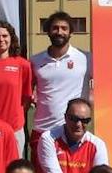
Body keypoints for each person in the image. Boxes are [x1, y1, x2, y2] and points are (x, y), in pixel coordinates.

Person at [30, 11, 91, 146]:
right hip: (42, 130)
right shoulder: (35, 60)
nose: (59, 32)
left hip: (71, 130)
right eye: (55, 28)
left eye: (64, 28)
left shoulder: (85, 58)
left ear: (71, 33)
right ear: (48, 32)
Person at [35, 98, 109, 173]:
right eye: (74, 119)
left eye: (84, 121)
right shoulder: (48, 138)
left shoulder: (98, 145)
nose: (78, 124)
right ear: (65, 117)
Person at [0, 21, 33, 151]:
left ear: (11, 38)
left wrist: (16, 115)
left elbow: (26, 97)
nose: (1, 39)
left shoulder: (22, 65)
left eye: (5, 36)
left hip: (14, 128)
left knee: (14, 169)